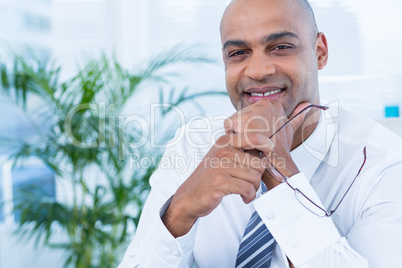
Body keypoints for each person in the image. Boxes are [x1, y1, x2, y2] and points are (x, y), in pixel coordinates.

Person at [119, 0, 402, 267]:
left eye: (280, 47)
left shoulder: (385, 166)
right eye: (239, 53)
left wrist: (279, 169)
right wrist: (179, 213)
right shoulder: (193, 146)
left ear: (320, 52)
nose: (257, 71)